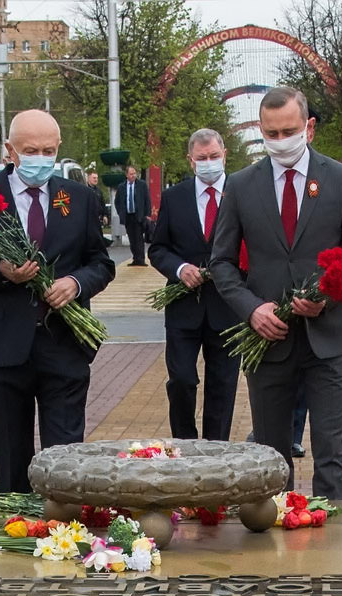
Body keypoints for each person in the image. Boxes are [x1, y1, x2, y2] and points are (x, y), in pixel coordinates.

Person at [209, 87, 342, 502]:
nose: (279, 140)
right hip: (267, 340)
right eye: (270, 133)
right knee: (271, 455)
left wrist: (327, 295)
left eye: (288, 130)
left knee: (330, 451)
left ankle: (330, 545)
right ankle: (277, 541)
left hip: (329, 341)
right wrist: (252, 310)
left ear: (309, 127)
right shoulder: (242, 185)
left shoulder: (341, 179)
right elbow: (222, 263)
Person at [0, 108, 115, 494]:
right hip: (4, 349)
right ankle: (18, 529)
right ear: (10, 150)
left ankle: (62, 530)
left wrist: (75, 283)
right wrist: (0, 270)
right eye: (30, 150)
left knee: (66, 457)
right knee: (10, 455)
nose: (40, 158)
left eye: (48, 150)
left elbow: (101, 263)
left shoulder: (79, 198)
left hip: (65, 344)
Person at [148, 128, 243, 441]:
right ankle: (184, 444)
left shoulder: (241, 193)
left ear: (224, 155)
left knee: (223, 384)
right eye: (202, 158)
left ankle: (216, 449)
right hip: (183, 308)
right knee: (182, 380)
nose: (209, 163)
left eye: (214, 156)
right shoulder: (175, 198)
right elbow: (158, 249)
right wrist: (180, 268)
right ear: (191, 161)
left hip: (228, 308)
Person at [114, 169, 151, 266]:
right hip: (128, 216)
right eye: (131, 174)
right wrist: (121, 213)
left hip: (139, 215)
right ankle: (135, 258)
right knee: (131, 238)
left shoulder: (141, 185)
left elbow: (147, 200)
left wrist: (147, 214)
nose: (133, 175)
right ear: (126, 175)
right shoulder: (121, 187)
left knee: (139, 238)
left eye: (134, 173)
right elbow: (117, 201)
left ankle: (141, 259)